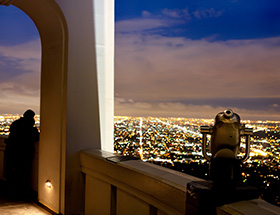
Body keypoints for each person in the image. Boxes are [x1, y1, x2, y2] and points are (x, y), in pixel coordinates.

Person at [5, 109, 39, 198]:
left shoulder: (16, 124)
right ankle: (22, 192)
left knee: (13, 171)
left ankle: (13, 190)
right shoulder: (28, 127)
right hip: (24, 152)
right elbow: (34, 137)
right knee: (24, 172)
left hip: (13, 151)